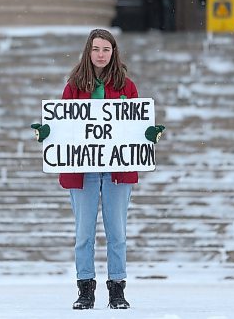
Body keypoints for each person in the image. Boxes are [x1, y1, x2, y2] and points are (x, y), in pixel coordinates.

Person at [31, 28, 164, 310]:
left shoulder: (127, 86)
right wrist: (48, 133)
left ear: (113, 52)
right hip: (83, 169)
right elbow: (64, 123)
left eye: (106, 49)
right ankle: (85, 289)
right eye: (96, 49)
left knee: (117, 233)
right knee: (84, 234)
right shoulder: (74, 86)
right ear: (87, 52)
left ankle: (117, 289)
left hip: (118, 168)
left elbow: (135, 123)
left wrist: (148, 134)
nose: (101, 54)